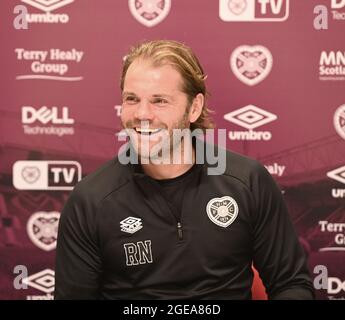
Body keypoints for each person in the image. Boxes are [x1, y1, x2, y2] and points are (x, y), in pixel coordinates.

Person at [55, 40, 314, 300]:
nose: (142, 114)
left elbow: (292, 285)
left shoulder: (247, 181)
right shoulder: (90, 200)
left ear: (194, 107)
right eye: (132, 99)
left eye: (160, 101)